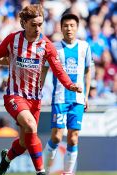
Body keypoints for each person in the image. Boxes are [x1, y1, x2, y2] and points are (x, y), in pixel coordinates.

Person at [0, 4, 82, 175]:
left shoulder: (46, 45)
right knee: (32, 126)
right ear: (24, 23)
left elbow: (58, 69)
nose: (38, 28)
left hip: (35, 99)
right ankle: (41, 172)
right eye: (34, 25)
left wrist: (70, 84)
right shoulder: (13, 40)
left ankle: (7, 159)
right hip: (14, 95)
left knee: (25, 143)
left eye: (40, 24)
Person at [42, 13, 92, 175]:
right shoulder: (53, 47)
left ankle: (68, 173)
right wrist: (39, 90)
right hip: (60, 98)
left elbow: (88, 70)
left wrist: (86, 95)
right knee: (56, 137)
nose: (69, 28)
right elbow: (43, 69)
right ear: (61, 28)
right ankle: (43, 171)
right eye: (65, 26)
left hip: (77, 99)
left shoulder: (84, 47)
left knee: (73, 137)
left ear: (77, 28)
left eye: (72, 25)